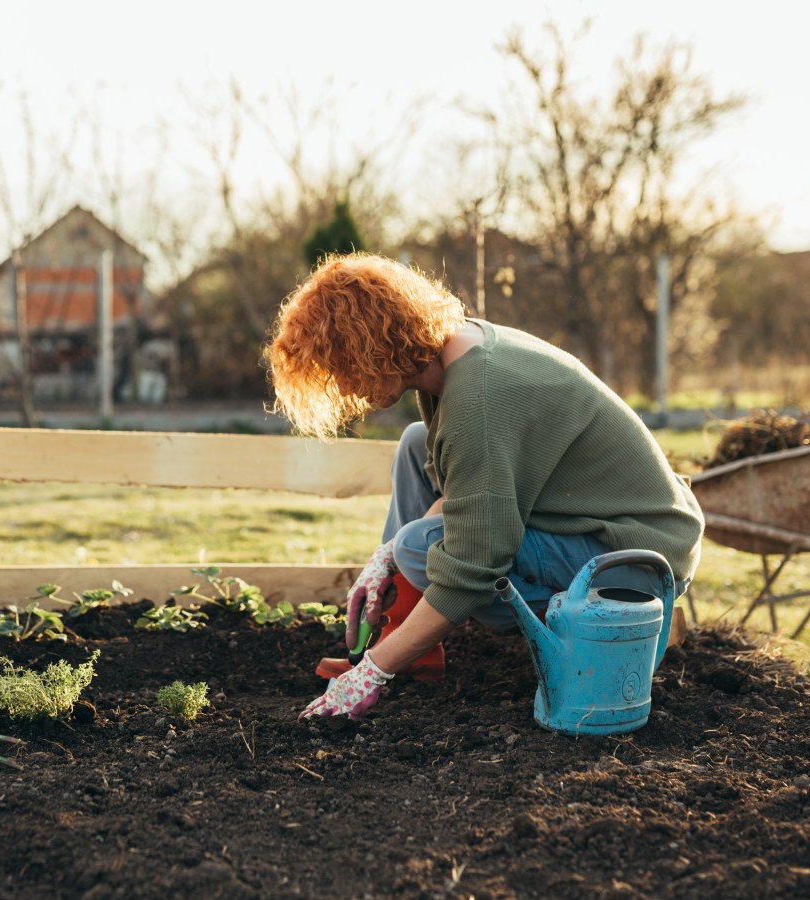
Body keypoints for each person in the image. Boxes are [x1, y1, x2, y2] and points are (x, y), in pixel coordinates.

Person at [265, 253, 705, 721]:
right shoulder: (458, 350)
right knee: (416, 446)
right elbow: (469, 485)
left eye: (344, 367)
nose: (348, 389)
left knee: (422, 547)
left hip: (635, 561)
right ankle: (407, 641)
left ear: (374, 344)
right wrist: (383, 556)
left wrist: (371, 673)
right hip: (602, 524)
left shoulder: (477, 398)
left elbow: (475, 564)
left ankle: (575, 641)